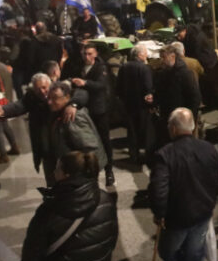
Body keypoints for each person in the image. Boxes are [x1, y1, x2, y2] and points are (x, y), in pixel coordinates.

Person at [149, 107, 218, 261]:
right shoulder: (208, 149)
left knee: (167, 251)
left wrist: (159, 213)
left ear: (173, 128)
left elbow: (158, 189)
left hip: (178, 218)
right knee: (194, 259)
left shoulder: (165, 154)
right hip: (202, 214)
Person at [0, 73, 84, 185]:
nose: (42, 92)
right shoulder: (32, 97)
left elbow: (82, 93)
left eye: (44, 87)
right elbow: (20, 105)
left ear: (50, 84)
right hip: (46, 148)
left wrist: (73, 104)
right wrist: (4, 110)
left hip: (64, 148)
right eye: (38, 89)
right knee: (52, 180)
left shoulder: (60, 90)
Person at [65, 43, 113, 185]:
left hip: (98, 109)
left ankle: (109, 171)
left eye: (90, 54)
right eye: (84, 54)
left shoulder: (101, 67)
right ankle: (89, 171)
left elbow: (101, 85)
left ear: (95, 54)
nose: (87, 57)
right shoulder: (78, 66)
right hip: (84, 109)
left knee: (104, 140)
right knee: (86, 142)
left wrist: (85, 83)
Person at [45, 82, 106, 187]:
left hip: (79, 175)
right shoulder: (59, 113)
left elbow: (89, 148)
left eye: (55, 98)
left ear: (67, 97)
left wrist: (81, 175)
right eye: (49, 98)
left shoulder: (72, 117)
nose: (50, 102)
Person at [154, 42, 201, 149]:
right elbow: (160, 92)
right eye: (160, 57)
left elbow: (195, 98)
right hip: (167, 117)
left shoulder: (185, 74)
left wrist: (190, 118)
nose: (161, 61)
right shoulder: (163, 73)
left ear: (172, 56)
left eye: (164, 57)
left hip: (181, 120)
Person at [117, 43, 155, 164]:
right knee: (145, 131)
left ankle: (133, 155)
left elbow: (118, 86)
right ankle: (147, 156)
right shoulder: (144, 68)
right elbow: (148, 87)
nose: (146, 56)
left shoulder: (123, 67)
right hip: (142, 105)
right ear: (139, 55)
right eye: (145, 53)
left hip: (128, 104)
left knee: (132, 131)